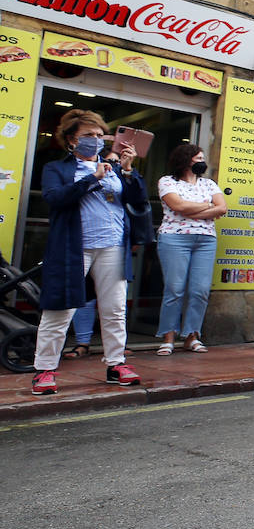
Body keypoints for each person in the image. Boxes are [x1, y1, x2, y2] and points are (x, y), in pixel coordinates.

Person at [31, 109, 148, 394]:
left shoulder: (116, 168)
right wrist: (92, 178)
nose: (96, 140)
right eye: (88, 136)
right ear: (72, 140)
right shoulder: (57, 169)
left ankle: (116, 364)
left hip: (112, 246)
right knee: (60, 308)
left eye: (99, 135)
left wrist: (129, 171)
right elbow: (55, 199)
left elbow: (138, 201)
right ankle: (45, 370)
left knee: (114, 309)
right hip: (74, 247)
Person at [155, 142, 227, 355]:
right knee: (174, 289)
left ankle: (191, 336)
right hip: (174, 239)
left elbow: (222, 208)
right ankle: (168, 337)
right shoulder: (167, 182)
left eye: (202, 159)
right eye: (197, 159)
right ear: (185, 160)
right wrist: (208, 206)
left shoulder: (209, 184)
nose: (201, 163)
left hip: (205, 240)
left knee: (200, 290)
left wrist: (192, 210)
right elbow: (178, 206)